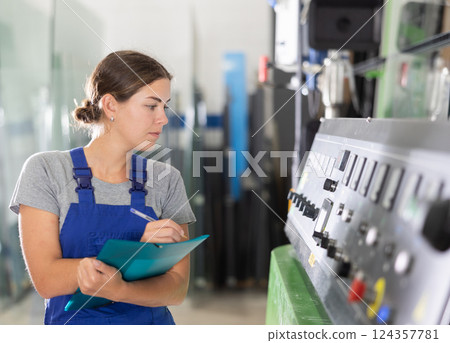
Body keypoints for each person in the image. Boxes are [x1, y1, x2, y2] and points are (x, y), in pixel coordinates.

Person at [9, 50, 196, 325]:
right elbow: (46, 280)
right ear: (110, 106)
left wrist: (122, 288)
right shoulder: (47, 171)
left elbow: (177, 288)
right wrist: (136, 254)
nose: (163, 119)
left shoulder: (167, 179)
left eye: (164, 107)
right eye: (151, 106)